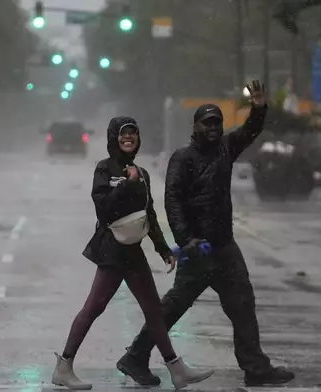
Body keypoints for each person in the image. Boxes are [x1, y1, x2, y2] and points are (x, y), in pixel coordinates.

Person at [116, 81, 296, 387]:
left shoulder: (226, 149)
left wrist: (259, 106)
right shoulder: (183, 158)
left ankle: (255, 367)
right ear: (196, 126)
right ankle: (135, 356)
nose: (213, 128)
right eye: (207, 123)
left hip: (225, 247)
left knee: (242, 303)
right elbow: (172, 202)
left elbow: (250, 130)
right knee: (173, 306)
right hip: (197, 250)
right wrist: (186, 240)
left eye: (217, 123)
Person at [52, 116, 214, 390]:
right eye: (123, 134)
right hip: (111, 253)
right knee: (94, 308)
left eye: (133, 134)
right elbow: (103, 210)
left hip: (133, 252)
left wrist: (163, 248)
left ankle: (177, 370)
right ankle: (64, 367)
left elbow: (147, 214)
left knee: (154, 311)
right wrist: (127, 184)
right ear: (114, 138)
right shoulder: (104, 169)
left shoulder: (142, 172)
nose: (128, 138)